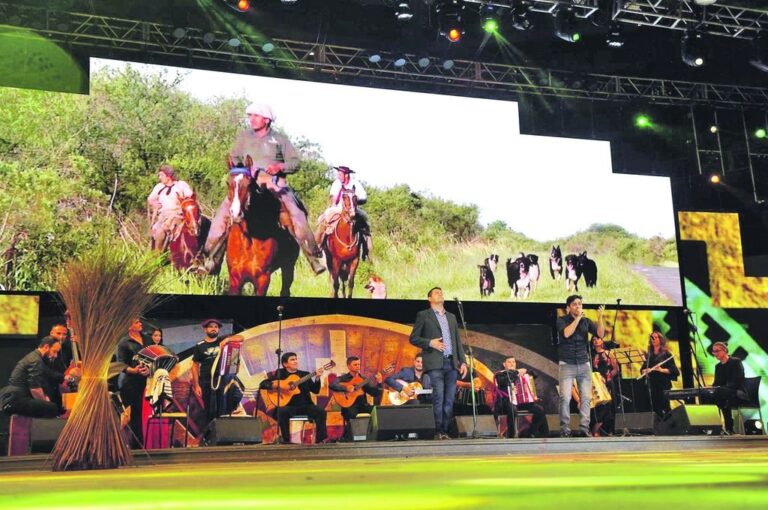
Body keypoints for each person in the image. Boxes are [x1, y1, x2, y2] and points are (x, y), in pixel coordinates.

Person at [197, 102, 325, 275]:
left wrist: (280, 167)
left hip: (274, 184)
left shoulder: (280, 139)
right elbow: (234, 157)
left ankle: (313, 257)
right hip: (247, 182)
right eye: (250, 116)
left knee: (296, 213)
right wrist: (242, 169)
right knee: (223, 214)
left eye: (255, 116)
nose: (251, 119)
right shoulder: (244, 137)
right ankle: (208, 258)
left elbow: (295, 162)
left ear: (266, 120)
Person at [409, 287, 468, 439]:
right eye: (436, 293)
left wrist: (463, 362)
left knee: (449, 399)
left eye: (441, 292)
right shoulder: (424, 315)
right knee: (439, 397)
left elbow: (457, 341)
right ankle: (437, 431)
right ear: (429, 299)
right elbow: (413, 338)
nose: (440, 294)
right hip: (435, 364)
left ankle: (445, 430)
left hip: (451, 364)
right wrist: (430, 343)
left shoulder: (451, 317)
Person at [556, 294, 605, 437]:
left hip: (584, 363)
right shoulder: (561, 320)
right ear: (569, 307)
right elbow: (566, 333)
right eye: (575, 304)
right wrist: (577, 318)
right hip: (567, 364)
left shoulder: (586, 321)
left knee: (586, 398)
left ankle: (584, 428)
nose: (578, 306)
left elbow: (600, 334)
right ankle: (565, 430)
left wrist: (600, 318)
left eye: (580, 304)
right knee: (565, 398)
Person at [259, 352, 328, 444]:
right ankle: (286, 440)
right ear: (285, 364)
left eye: (296, 359)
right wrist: (280, 386)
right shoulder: (280, 374)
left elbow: (315, 390)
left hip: (305, 406)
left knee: (321, 411)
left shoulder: (305, 374)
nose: (296, 361)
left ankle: (320, 439)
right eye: (292, 360)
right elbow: (263, 384)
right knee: (281, 411)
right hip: (288, 406)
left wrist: (317, 378)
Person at [191, 319, 244, 426]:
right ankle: (211, 432)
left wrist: (227, 339)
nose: (213, 329)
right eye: (211, 326)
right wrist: (196, 385)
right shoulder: (200, 346)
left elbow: (241, 338)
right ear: (205, 329)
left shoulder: (222, 340)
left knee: (226, 405)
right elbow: (195, 366)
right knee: (210, 409)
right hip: (206, 381)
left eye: (216, 327)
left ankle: (224, 429)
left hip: (223, 379)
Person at [315, 165, 373, 261]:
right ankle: (318, 245)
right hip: (338, 208)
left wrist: (354, 201)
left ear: (346, 175)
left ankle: (367, 250)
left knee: (365, 221)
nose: (338, 176)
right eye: (338, 174)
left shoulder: (355, 183)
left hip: (353, 209)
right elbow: (333, 197)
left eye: (340, 174)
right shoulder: (336, 183)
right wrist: (334, 204)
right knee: (323, 218)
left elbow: (364, 197)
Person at [0, 337, 62, 418]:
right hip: (14, 400)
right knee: (52, 408)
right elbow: (35, 389)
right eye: (54, 351)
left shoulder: (33, 357)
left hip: (12, 397)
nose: (55, 356)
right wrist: (45, 401)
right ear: (46, 347)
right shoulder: (36, 360)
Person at [493, 356, 549, 438]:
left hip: (521, 402)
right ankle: (511, 435)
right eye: (509, 362)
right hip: (506, 402)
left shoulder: (520, 373)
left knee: (539, 409)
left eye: (513, 362)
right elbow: (503, 381)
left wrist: (527, 371)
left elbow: (535, 375)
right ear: (504, 364)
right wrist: (516, 372)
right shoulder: (500, 374)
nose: (512, 364)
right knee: (512, 409)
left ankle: (531, 432)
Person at [328, 356, 382, 440]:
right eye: (355, 364)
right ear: (349, 366)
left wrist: (379, 383)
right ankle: (348, 438)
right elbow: (332, 385)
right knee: (350, 413)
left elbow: (375, 393)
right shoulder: (342, 378)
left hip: (363, 406)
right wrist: (346, 388)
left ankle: (374, 436)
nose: (358, 366)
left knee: (378, 410)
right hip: (349, 406)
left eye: (359, 364)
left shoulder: (363, 379)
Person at [116, 318, 150, 448]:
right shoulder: (124, 343)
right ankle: (135, 446)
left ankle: (146, 443)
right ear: (129, 326)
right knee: (134, 415)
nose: (140, 323)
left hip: (148, 381)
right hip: (132, 383)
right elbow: (121, 364)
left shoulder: (147, 339)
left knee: (146, 413)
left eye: (140, 321)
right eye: (136, 322)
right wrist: (134, 370)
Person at [146, 164, 195, 252]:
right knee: (158, 231)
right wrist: (154, 203)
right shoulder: (159, 186)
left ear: (168, 176)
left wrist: (184, 201)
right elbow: (150, 199)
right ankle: (158, 254)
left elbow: (190, 196)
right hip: (163, 216)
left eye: (161, 175)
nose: (159, 177)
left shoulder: (181, 185)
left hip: (179, 215)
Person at [642, 330, 679, 418]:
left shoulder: (666, 354)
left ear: (660, 339)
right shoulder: (649, 355)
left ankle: (668, 424)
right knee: (654, 408)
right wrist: (645, 370)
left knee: (665, 407)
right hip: (652, 385)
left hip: (663, 385)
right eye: (652, 338)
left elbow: (674, 371)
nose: (653, 339)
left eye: (656, 337)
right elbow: (642, 369)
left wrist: (661, 370)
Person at [711, 342, 745, 434]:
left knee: (721, 393)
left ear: (725, 350)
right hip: (723, 392)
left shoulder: (736, 362)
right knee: (708, 395)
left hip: (737, 391)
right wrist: (710, 389)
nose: (715, 354)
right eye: (713, 352)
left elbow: (738, 379)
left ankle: (729, 427)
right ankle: (714, 427)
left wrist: (722, 388)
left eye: (717, 351)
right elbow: (716, 382)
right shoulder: (718, 366)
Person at [591, 335, 619, 436]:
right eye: (593, 340)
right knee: (599, 406)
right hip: (596, 382)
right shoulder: (590, 354)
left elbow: (616, 369)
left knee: (609, 406)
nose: (595, 341)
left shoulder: (609, 353)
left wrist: (608, 376)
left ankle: (609, 430)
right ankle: (596, 429)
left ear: (602, 341)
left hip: (608, 382)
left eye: (597, 339)